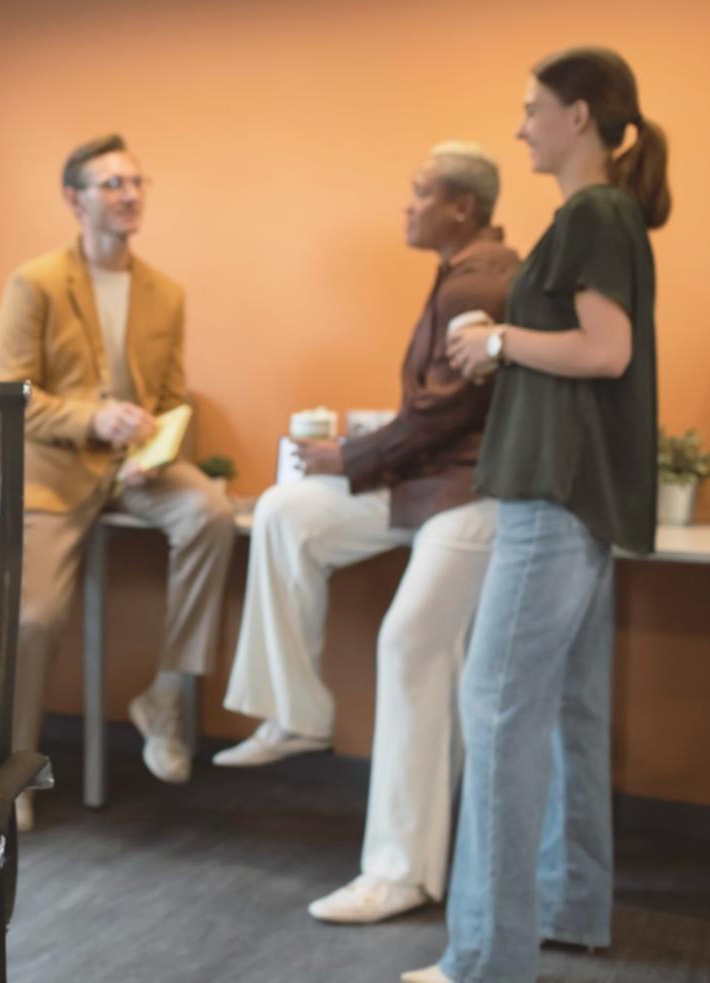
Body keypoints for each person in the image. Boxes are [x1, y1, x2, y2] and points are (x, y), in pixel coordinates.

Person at [404, 47, 669, 983]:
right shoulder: (606, 214)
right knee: (565, 709)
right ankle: (567, 909)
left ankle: (485, 956)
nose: (520, 126)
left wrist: (498, 337)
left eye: (532, 109)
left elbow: (605, 350)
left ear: (582, 116)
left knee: (501, 710)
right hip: (580, 499)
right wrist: (509, 347)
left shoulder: (594, 212)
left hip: (551, 498)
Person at [214, 143, 520, 924]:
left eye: (419, 193)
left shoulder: (480, 281)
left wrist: (344, 455)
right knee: (287, 511)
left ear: (461, 206)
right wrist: (343, 465)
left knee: (411, 646)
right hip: (426, 482)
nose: (406, 205)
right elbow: (434, 418)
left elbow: (441, 415)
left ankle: (400, 870)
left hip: (471, 494)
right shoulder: (458, 273)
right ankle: (297, 711)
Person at [0, 133, 236, 831]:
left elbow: (171, 393)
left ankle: (165, 692)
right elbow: (12, 393)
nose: (129, 195)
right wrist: (95, 420)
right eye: (112, 184)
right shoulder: (34, 281)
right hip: (57, 471)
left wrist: (158, 444)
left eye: (136, 182)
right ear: (75, 199)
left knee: (211, 512)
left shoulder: (167, 292)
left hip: (139, 468)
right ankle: (12, 774)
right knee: (34, 616)